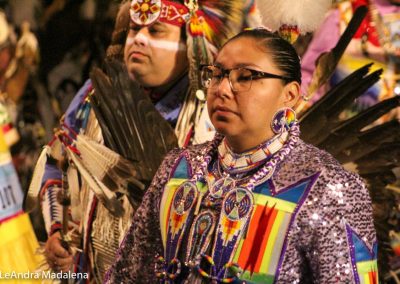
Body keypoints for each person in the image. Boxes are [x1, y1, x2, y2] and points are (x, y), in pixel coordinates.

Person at [106, 28, 378, 283]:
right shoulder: (179, 167)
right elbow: (128, 273)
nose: (223, 89)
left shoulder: (328, 187)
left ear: (290, 94)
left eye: (246, 77)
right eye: (217, 74)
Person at [34, 0, 255, 282]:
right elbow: (56, 163)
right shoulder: (95, 94)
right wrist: (56, 230)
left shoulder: (214, 116)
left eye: (156, 31)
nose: (138, 38)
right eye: (134, 29)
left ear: (191, 44)